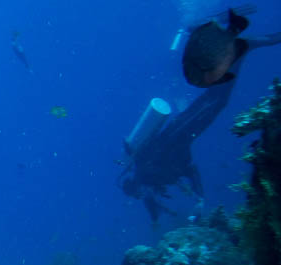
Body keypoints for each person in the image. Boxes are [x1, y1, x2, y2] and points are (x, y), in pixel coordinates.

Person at [118, 31, 281, 222]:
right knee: (215, 98)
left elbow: (170, 169)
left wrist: (194, 196)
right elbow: (190, 169)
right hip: (185, 130)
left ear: (138, 187)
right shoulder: (152, 173)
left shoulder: (146, 170)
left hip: (182, 129)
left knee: (215, 99)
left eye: (138, 193)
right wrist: (200, 198)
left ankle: (235, 49)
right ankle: (230, 50)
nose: (145, 195)